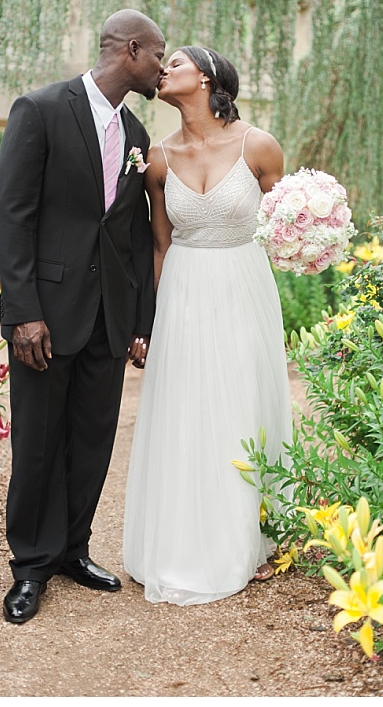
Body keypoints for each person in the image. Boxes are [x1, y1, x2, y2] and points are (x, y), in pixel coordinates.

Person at [0, 8, 163, 624]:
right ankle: (31, 567)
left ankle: (72, 549)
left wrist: (140, 320)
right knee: (37, 442)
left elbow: (135, 234)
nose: (162, 68)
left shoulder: (138, 137)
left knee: (92, 440)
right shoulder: (39, 110)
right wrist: (23, 311)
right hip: (46, 315)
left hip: (107, 320)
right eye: (157, 55)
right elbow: (13, 216)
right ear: (132, 50)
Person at [121, 46, 292, 605]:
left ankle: (249, 536)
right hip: (184, 290)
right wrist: (149, 319)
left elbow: (285, 223)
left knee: (239, 405)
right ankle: (182, 540)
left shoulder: (259, 146)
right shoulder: (158, 157)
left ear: (208, 78)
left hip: (244, 284)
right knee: (185, 409)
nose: (164, 69)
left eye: (177, 62)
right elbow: (160, 244)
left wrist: (310, 238)